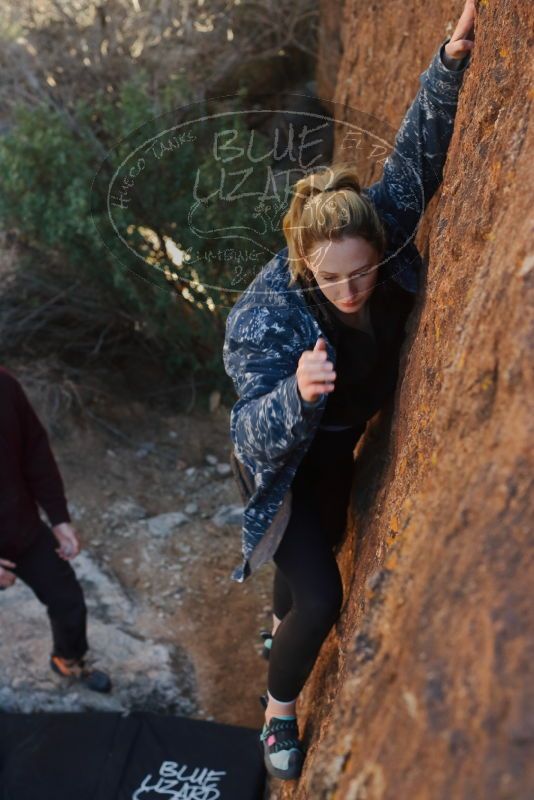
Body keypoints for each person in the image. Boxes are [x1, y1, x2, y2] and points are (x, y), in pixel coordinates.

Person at [223, 0, 476, 782]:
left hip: (339, 453)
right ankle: (277, 710)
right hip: (287, 468)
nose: (352, 287)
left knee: (319, 555)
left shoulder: (377, 225)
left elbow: (415, 160)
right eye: (332, 278)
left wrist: (449, 62)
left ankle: (277, 619)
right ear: (304, 267)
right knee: (324, 597)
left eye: (362, 269)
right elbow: (247, 436)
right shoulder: (264, 315)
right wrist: (297, 392)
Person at [0, 366, 111, 693]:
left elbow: (35, 451)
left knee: (67, 599)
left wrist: (59, 518)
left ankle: (68, 658)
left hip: (20, 527)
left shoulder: (4, 385)